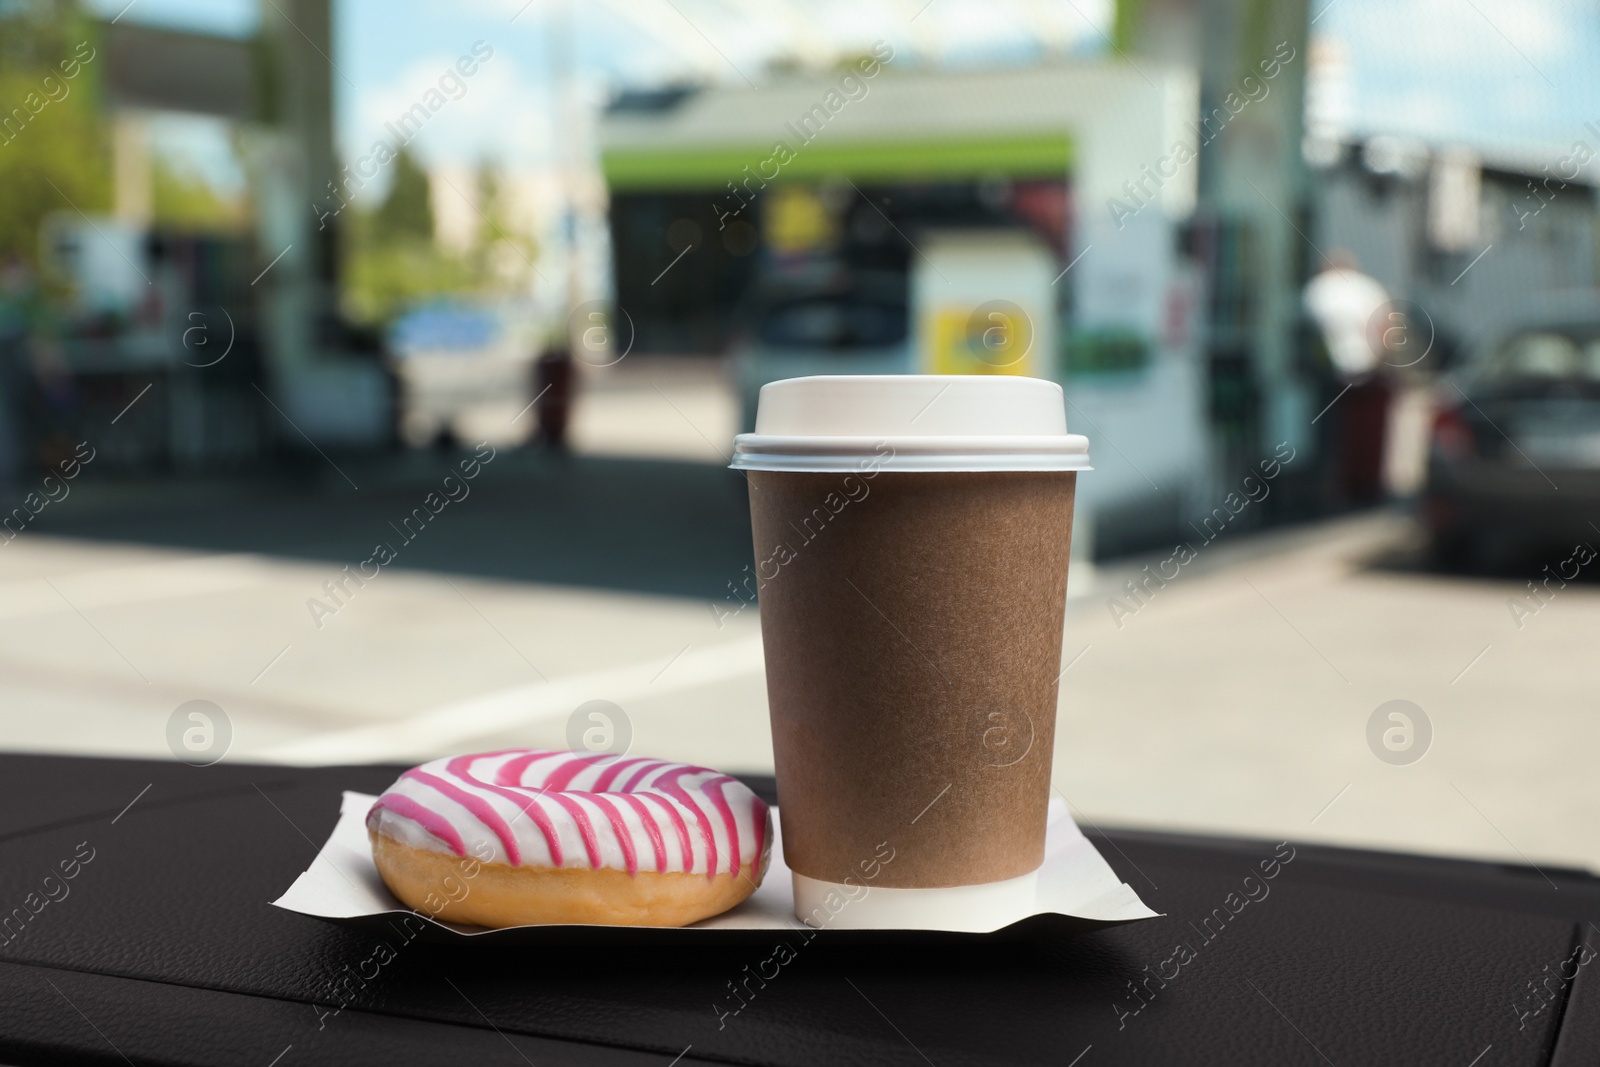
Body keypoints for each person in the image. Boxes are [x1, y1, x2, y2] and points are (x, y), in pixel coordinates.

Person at [1302, 249, 1394, 505]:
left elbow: (1308, 333)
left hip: (1329, 373)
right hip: (1366, 371)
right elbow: (1384, 326)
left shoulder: (1317, 289)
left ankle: (1329, 487)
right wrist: (1377, 357)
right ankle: (1363, 486)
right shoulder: (1369, 289)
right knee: (1363, 431)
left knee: (1328, 433)